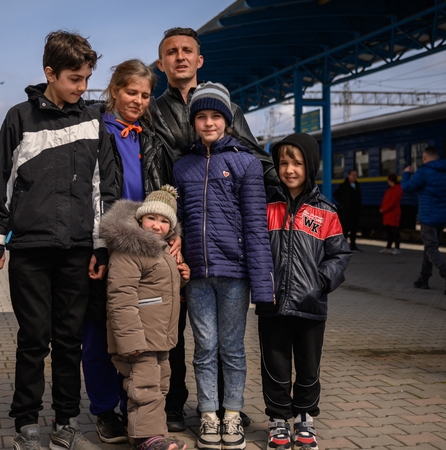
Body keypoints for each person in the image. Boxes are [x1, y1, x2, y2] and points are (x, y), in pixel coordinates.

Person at [0, 30, 116, 450]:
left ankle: (66, 419)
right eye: (74, 78)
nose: (82, 87)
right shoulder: (20, 118)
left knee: (70, 339)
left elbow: (104, 190)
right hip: (30, 251)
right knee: (34, 338)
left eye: (86, 79)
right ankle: (26, 421)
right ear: (50, 73)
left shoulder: (95, 121)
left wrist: (100, 246)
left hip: (77, 250)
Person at [151, 26, 276, 432]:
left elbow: (253, 157)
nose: (180, 57)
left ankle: (226, 408)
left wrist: (297, 186)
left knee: (222, 339)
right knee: (175, 327)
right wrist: (166, 230)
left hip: (222, 242)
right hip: (172, 227)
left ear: (199, 60)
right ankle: (176, 404)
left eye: (188, 50)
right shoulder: (153, 112)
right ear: (162, 63)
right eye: (172, 52)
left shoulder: (228, 108)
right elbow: (153, 171)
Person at [172, 82, 274, 450]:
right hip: (197, 275)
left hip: (234, 275)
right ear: (193, 121)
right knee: (204, 347)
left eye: (216, 116)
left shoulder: (246, 163)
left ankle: (232, 414)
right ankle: (208, 415)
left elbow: (256, 227)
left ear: (228, 121)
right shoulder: (182, 166)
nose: (209, 122)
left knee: (231, 347)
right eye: (202, 116)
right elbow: (177, 222)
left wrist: (263, 287)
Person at [82, 59, 177, 445]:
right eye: (130, 92)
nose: (137, 100)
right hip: (107, 244)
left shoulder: (149, 136)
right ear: (114, 90)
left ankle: (136, 410)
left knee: (139, 332)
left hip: (146, 246)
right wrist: (99, 247)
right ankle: (105, 411)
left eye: (144, 94)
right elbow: (90, 195)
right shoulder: (93, 130)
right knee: (101, 331)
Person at [259, 133, 351, 450]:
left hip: (311, 305)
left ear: (309, 166)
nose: (289, 169)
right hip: (272, 304)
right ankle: (278, 420)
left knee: (309, 367)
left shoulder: (326, 210)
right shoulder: (266, 205)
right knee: (275, 365)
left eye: (297, 163)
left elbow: (340, 254)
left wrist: (322, 282)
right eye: (283, 163)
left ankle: (305, 417)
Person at [101, 186, 190, 450]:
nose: (157, 226)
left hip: (159, 337)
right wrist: (131, 341)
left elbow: (158, 290)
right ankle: (145, 439)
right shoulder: (130, 250)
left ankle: (154, 435)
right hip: (139, 339)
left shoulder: (160, 251)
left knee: (159, 386)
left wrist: (181, 278)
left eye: (164, 221)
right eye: (152, 218)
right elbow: (121, 298)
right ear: (140, 219)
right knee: (145, 387)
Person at [402, 146, 446, 295]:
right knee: (430, 248)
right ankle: (423, 279)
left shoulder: (424, 171)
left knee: (431, 249)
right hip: (442, 216)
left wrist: (406, 174)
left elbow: (407, 188)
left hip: (428, 216)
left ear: (425, 158)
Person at [333, 169, 362, 251]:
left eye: (355, 175)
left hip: (355, 210)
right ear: (348, 176)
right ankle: (344, 246)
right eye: (353, 175)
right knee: (345, 229)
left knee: (354, 229)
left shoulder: (357, 185)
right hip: (346, 211)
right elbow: (336, 194)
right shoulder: (343, 185)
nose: (354, 177)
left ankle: (353, 245)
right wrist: (343, 203)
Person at [379, 174, 402, 255]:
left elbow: (393, 202)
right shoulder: (391, 190)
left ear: (390, 180)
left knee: (394, 231)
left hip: (392, 213)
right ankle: (388, 247)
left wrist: (383, 209)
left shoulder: (396, 190)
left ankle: (397, 248)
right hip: (388, 213)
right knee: (389, 231)